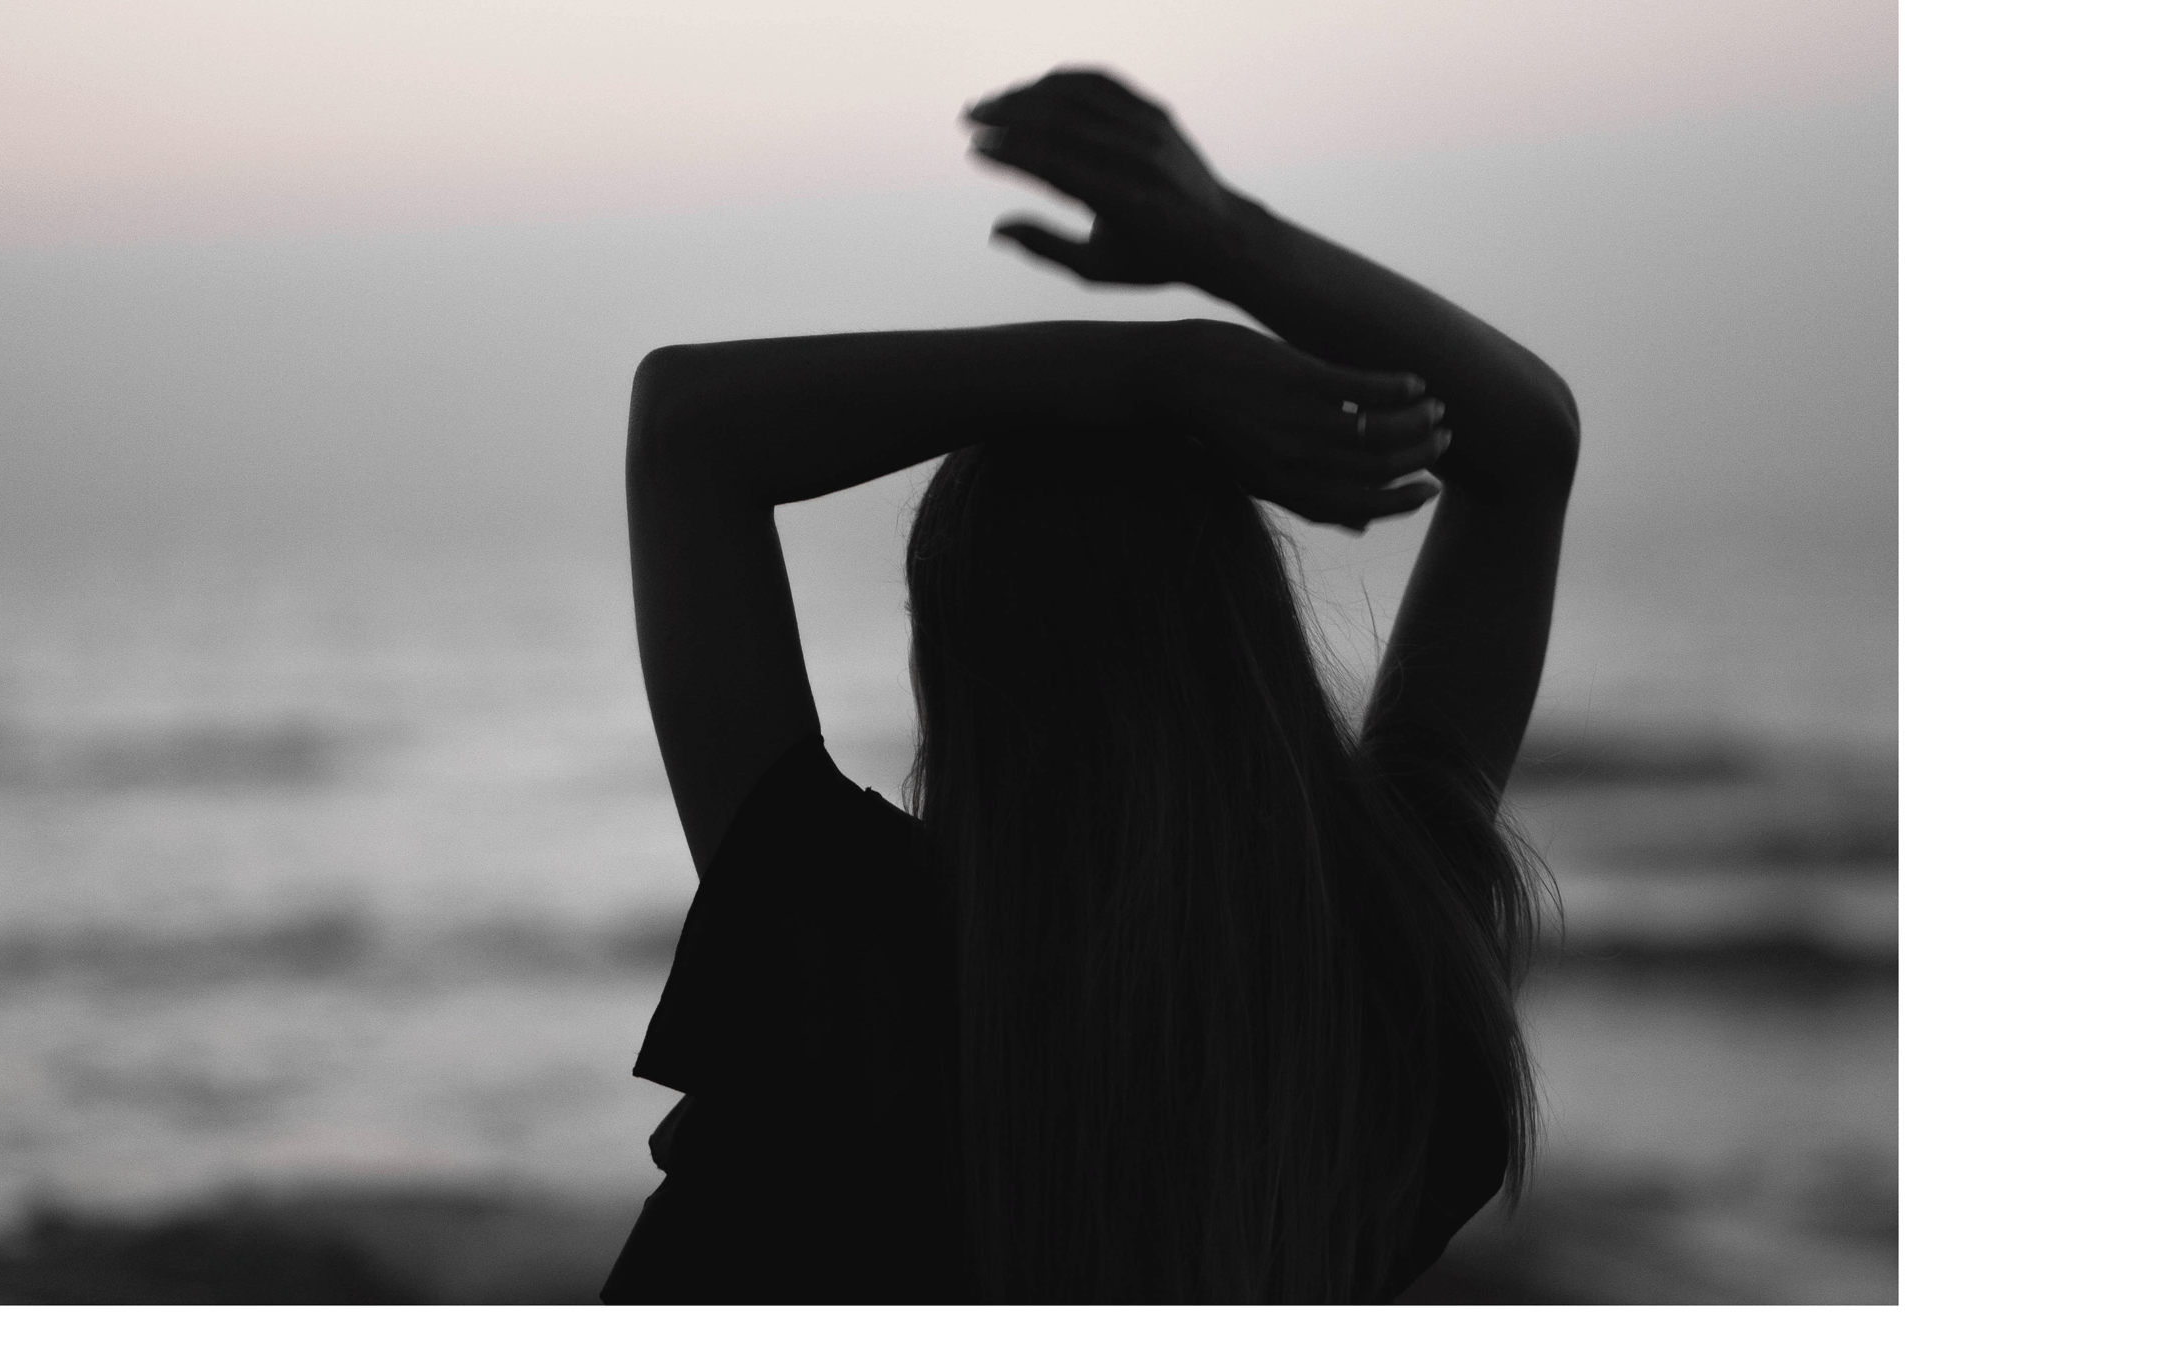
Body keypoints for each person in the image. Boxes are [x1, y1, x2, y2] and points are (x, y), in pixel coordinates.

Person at [599, 68, 1577, 1305]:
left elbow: (685, 425)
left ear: (951, 658)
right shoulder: (1384, 1014)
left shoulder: (846, 957)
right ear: (1244, 630)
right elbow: (1528, 448)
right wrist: (1229, 244)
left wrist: (1148, 371)